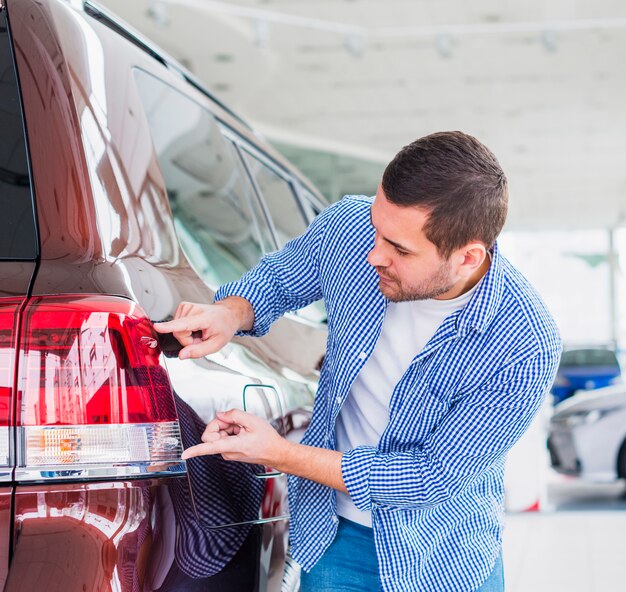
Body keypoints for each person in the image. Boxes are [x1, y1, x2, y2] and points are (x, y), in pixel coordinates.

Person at [154, 131, 562, 592]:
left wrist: (280, 454)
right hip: (333, 540)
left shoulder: (524, 343)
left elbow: (428, 477)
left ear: (468, 257)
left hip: (441, 557)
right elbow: (277, 281)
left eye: (401, 250)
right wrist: (229, 314)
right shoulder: (347, 227)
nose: (374, 255)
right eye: (376, 228)